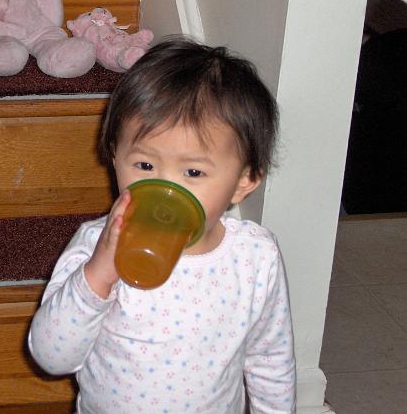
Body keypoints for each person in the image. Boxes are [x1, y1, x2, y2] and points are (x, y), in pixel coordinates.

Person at [28, 37, 296, 413]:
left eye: (193, 172)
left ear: (243, 181)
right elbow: (52, 357)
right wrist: (98, 276)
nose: (166, 190)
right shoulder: (96, 246)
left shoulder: (255, 257)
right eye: (145, 165)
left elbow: (270, 362)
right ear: (115, 157)